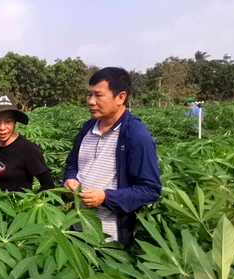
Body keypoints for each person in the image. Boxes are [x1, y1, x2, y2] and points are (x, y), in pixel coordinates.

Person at [63, 67, 161, 245]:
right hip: (77, 229)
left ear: (121, 97)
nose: (91, 101)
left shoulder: (136, 136)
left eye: (98, 95)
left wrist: (106, 197)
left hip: (110, 240)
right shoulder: (87, 129)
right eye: (89, 94)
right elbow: (72, 164)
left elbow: (150, 190)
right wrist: (70, 179)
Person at [0, 91, 54, 192]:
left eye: (8, 121)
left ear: (15, 122)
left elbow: (48, 185)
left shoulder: (29, 150)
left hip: (18, 206)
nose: (2, 127)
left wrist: (31, 203)